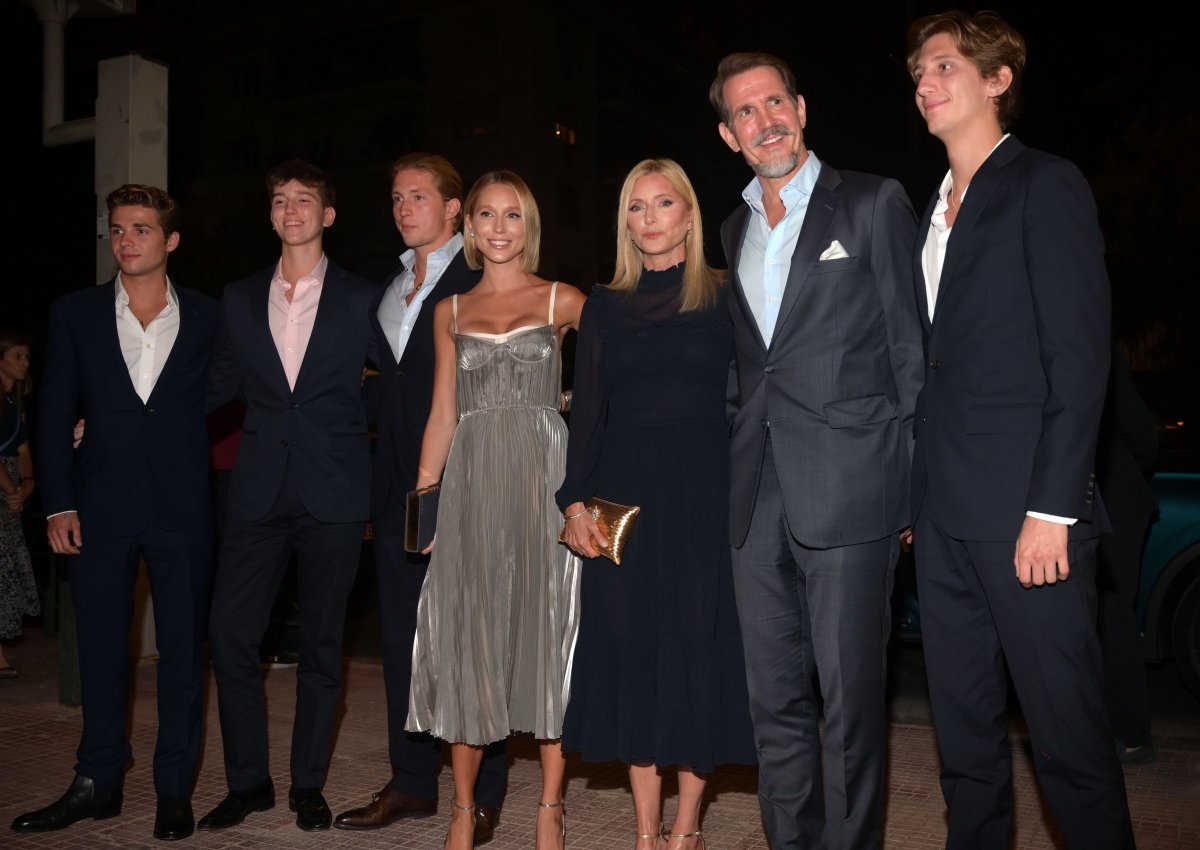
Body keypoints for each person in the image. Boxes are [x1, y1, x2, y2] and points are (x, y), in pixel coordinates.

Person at [906, 11, 1135, 849]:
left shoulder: (1045, 184)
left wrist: (1054, 508)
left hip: (1029, 518)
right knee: (965, 746)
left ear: (997, 78)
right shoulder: (928, 212)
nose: (924, 84)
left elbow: (1078, 364)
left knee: (1067, 742)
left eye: (942, 67)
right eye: (917, 73)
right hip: (943, 517)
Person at [710, 52, 924, 850]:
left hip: (854, 490)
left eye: (774, 102)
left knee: (851, 707)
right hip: (756, 495)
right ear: (729, 135)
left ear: (800, 107)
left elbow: (912, 353)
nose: (764, 121)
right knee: (774, 706)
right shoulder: (733, 227)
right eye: (744, 113)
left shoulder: (871, 204)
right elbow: (748, 363)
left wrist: (908, 490)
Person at [557, 158, 755, 850]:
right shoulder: (603, 304)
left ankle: (687, 829)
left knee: (698, 649)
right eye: (635, 208)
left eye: (661, 204)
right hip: (628, 496)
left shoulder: (729, 295)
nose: (648, 219)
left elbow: (755, 399)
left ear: (689, 214)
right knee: (636, 650)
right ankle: (645, 835)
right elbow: (588, 412)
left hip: (707, 495)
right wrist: (574, 501)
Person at [13, 185, 218, 841]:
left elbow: (226, 396)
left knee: (184, 656)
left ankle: (173, 789)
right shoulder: (75, 312)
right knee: (102, 650)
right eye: (118, 229)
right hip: (98, 508)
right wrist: (59, 500)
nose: (126, 240)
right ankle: (96, 780)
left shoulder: (211, 318)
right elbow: (52, 411)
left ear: (171, 241)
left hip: (183, 509)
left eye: (141, 229)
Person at [405, 170, 584, 850]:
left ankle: (550, 806)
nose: (500, 227)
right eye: (487, 215)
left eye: (513, 215)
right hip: (474, 480)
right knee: (468, 635)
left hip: (546, 477)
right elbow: (443, 412)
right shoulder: (448, 312)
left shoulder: (563, 300)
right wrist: (424, 506)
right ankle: (462, 809)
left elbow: (620, 370)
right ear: (470, 228)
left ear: (527, 226)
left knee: (549, 630)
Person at [334, 153, 508, 842]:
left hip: (470, 480)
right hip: (396, 489)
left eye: (417, 196)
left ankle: (486, 789)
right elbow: (385, 384)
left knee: (474, 641)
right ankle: (413, 782)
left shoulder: (481, 277)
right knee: (406, 639)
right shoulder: (388, 286)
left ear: (454, 209)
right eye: (396, 197)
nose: (403, 208)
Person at [200, 160, 377, 833]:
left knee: (323, 647)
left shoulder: (362, 297)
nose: (291, 210)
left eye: (304, 200)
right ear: (271, 215)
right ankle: (248, 782)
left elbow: (394, 382)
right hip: (257, 492)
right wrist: (121, 420)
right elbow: (212, 388)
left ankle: (308, 785)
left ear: (327, 215)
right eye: (280, 200)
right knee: (230, 635)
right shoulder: (240, 296)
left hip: (334, 489)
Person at [1096, 344, 1159, 764]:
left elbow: (1143, 436)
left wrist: (1115, 478)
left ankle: (1133, 736)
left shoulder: (1099, 350)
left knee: (1112, 618)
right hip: (1081, 507)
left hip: (1116, 507)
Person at [0, 329, 40, 680]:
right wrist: (12, 489)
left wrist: (27, 485)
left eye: (26, 357)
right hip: (2, 484)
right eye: (17, 357)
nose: (24, 363)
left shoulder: (17, 400)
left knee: (7, 567)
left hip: (10, 486)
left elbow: (24, 448)